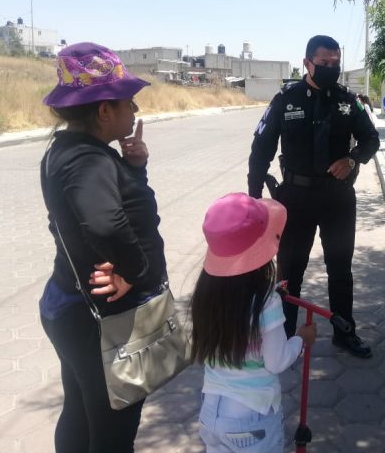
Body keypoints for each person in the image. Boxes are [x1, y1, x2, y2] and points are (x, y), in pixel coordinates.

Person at [39, 42, 167, 451]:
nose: (135, 111)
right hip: (99, 320)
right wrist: (135, 271)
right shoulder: (88, 160)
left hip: (72, 309)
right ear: (103, 110)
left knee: (80, 410)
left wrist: (135, 168)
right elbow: (105, 223)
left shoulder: (68, 150)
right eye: (129, 103)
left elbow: (71, 220)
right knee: (113, 430)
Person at [248, 35, 380, 358]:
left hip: (337, 198)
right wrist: (253, 199)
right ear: (307, 63)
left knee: (340, 268)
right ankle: (282, 336)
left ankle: (344, 331)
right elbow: (261, 148)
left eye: (336, 64)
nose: (331, 69)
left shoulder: (348, 100)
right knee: (290, 271)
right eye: (324, 64)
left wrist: (352, 159)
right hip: (296, 198)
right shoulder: (287, 99)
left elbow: (371, 139)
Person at [191, 192, 317, 453]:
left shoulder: (206, 293)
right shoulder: (266, 302)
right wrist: (301, 340)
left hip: (211, 410)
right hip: (252, 416)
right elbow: (276, 361)